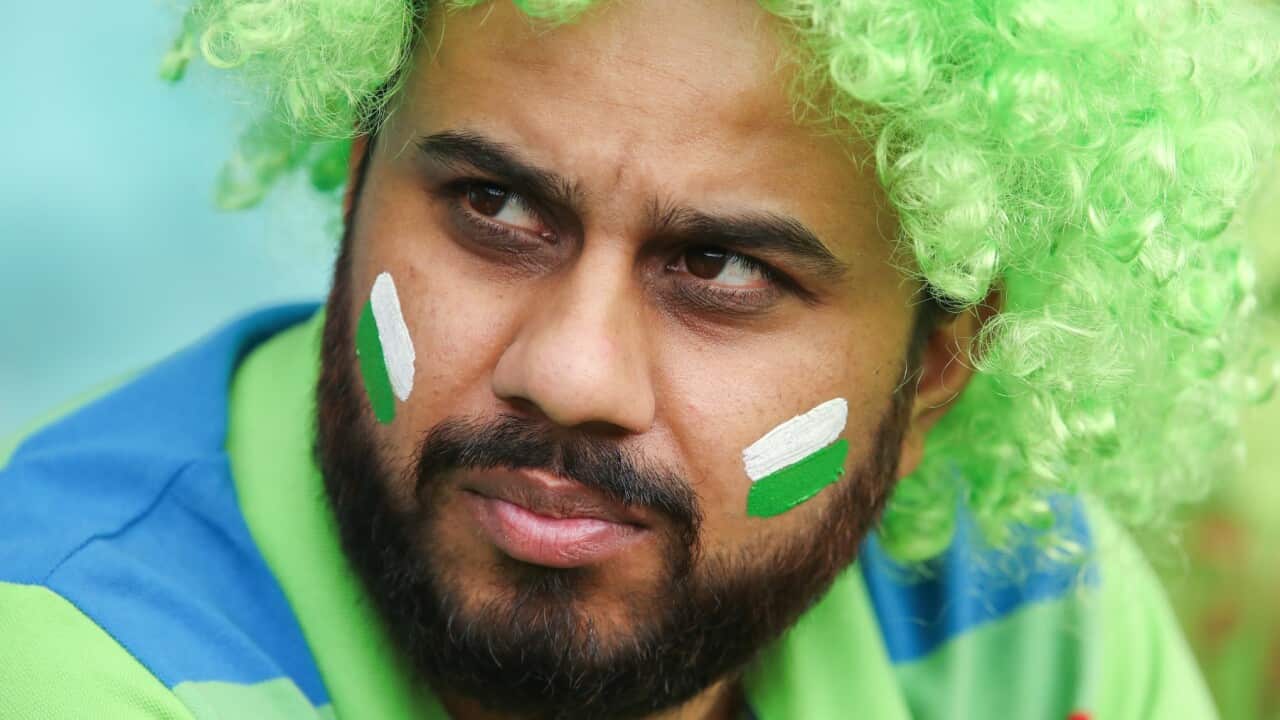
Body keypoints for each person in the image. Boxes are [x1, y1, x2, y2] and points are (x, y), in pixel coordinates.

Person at [3, 1, 1278, 718]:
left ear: (937, 363)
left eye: (721, 271)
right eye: (494, 207)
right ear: (356, 181)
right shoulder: (68, 657)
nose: (569, 373)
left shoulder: (1022, 619)